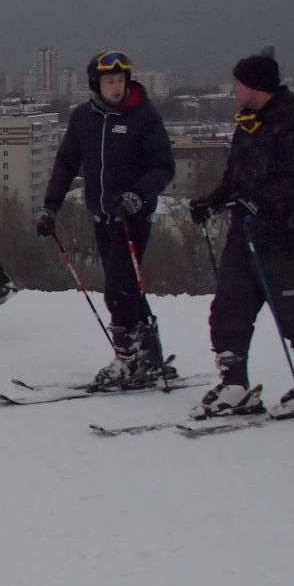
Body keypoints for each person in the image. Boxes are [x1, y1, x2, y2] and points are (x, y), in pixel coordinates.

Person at [188, 51, 294, 417]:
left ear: (255, 85)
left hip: (287, 238)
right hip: (246, 235)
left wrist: (259, 201)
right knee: (228, 309)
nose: (234, 89)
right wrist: (213, 202)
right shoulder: (248, 125)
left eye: (238, 82)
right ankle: (235, 385)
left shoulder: (293, 127)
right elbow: (234, 179)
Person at [36, 51, 177, 389]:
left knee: (118, 289)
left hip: (132, 217)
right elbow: (66, 164)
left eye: (121, 80)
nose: (117, 87)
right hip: (101, 215)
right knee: (125, 290)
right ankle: (149, 357)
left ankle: (128, 360)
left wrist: (137, 195)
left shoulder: (143, 116)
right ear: (95, 84)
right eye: (110, 81)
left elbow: (163, 166)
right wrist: (50, 207)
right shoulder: (84, 117)